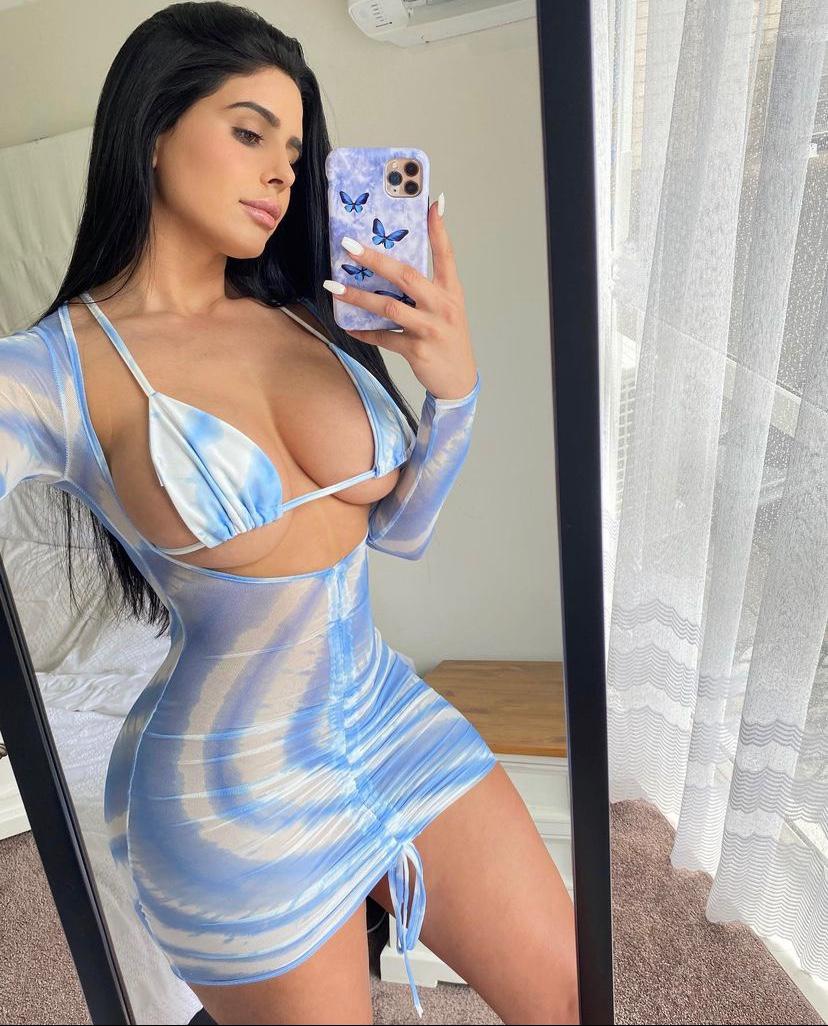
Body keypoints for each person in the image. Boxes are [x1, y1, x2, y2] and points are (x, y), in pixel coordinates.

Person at [0, 3, 578, 1023]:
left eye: (296, 152)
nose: (281, 173)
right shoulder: (50, 370)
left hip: (389, 715)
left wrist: (454, 389)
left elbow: (399, 531)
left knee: (578, 995)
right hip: (229, 797)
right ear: (152, 130)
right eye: (249, 132)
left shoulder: (305, 312)